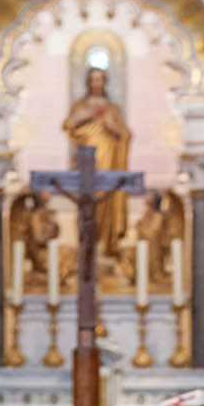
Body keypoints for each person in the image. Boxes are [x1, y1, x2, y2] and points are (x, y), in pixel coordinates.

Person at [62, 66, 132, 265]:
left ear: (105, 82)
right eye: (93, 80)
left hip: (109, 161)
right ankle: (86, 246)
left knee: (105, 201)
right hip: (86, 162)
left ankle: (106, 245)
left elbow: (125, 135)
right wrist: (88, 116)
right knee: (87, 202)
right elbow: (68, 125)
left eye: (100, 80)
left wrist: (111, 127)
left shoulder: (112, 109)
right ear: (88, 82)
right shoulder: (80, 106)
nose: (96, 83)